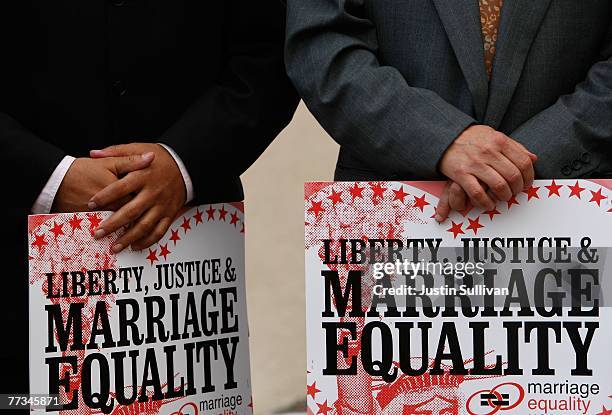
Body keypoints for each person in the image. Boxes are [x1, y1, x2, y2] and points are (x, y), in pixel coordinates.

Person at [0, 0, 298, 396]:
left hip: (185, 270)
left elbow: (271, 56)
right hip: (13, 267)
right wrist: (48, 175)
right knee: (26, 401)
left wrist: (183, 163)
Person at [286, 0, 612, 220]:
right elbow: (321, 42)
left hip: (576, 201)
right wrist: (441, 140)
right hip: (389, 206)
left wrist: (516, 163)